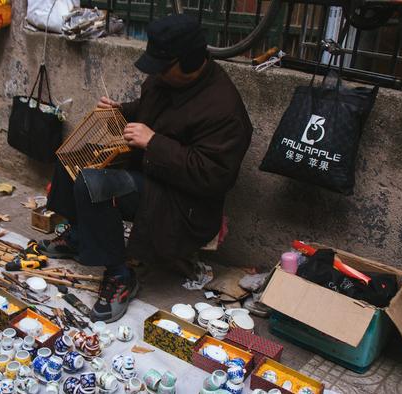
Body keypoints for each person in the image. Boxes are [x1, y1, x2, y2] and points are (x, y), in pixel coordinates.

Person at [44, 14, 253, 322]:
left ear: (189, 61)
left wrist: (154, 143)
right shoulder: (167, 78)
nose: (155, 73)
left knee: (95, 184)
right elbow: (147, 111)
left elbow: (214, 176)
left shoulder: (224, 108)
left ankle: (120, 275)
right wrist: (119, 111)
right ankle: (78, 235)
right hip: (154, 173)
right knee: (76, 154)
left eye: (162, 66)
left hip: (183, 203)